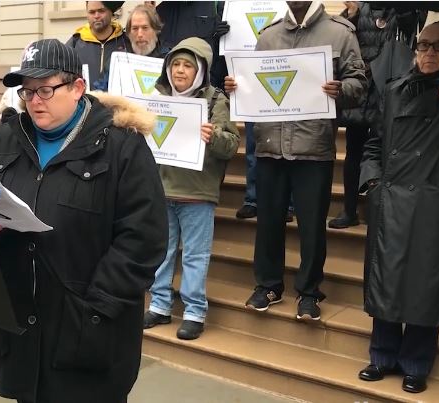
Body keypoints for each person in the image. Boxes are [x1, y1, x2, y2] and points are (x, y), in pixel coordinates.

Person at [0, 39, 168, 403]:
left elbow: (144, 238)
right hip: (20, 336)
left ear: (77, 87)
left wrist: (95, 310)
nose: (34, 100)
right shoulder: (3, 141)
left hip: (89, 337)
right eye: (27, 91)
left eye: (45, 89)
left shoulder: (121, 146)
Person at [238, 1, 365, 320]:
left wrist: (341, 89)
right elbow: (255, 86)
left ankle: (309, 292)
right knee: (268, 222)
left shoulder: (340, 33)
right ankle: (268, 285)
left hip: (314, 146)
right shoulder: (268, 36)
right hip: (270, 144)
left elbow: (360, 84)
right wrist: (237, 88)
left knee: (311, 226)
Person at [357, 21, 439, 394]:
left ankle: (416, 361)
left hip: (436, 204)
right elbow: (374, 144)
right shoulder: (395, 90)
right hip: (390, 200)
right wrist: (372, 184)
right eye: (423, 44)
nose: (429, 52)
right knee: (386, 278)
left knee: (424, 283)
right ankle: (382, 355)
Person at [143, 37, 240, 341]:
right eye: (175, 64)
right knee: (162, 252)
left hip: (197, 193)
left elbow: (231, 145)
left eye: (187, 65)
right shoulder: (156, 99)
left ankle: (194, 312)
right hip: (161, 190)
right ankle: (159, 305)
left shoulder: (215, 100)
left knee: (195, 256)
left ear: (201, 70)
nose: (180, 71)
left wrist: (214, 136)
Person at [329, 1, 405, 229]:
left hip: (391, 85)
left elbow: (411, 31)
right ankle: (349, 209)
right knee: (354, 151)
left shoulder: (403, 9)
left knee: (387, 151)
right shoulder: (359, 8)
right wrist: (351, 15)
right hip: (362, 88)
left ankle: (381, 211)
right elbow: (343, 36)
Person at [154, 1, 229, 89]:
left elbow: (226, 55)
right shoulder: (162, 10)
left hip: (206, 84)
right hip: (169, 83)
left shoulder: (217, 5)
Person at [66, 1, 130, 91]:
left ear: (111, 12)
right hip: (84, 99)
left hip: (117, 100)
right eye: (92, 12)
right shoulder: (74, 44)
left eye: (101, 11)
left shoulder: (126, 42)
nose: (96, 16)